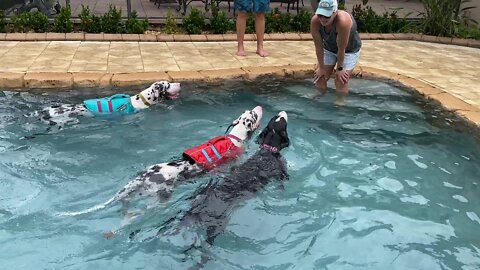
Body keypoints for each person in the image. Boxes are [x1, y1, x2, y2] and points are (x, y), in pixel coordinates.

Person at [311, 0, 361, 105]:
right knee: (320, 76)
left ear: (335, 12)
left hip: (349, 50)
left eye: (327, 16)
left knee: (341, 79)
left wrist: (340, 68)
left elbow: (341, 48)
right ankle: (319, 99)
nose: (323, 19)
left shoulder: (343, 22)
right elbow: (318, 47)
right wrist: (321, 67)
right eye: (320, 15)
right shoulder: (315, 21)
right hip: (329, 48)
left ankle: (340, 103)